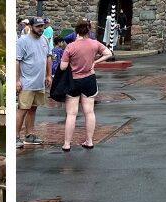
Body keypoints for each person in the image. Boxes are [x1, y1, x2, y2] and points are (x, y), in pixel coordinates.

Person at [59, 19, 113, 152]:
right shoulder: (95, 44)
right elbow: (109, 54)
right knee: (89, 112)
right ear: (89, 30)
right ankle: (89, 141)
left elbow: (62, 67)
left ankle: (67, 144)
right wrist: (95, 62)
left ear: (76, 31)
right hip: (89, 79)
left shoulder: (70, 47)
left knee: (71, 114)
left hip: (73, 81)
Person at [15, 16, 51, 149]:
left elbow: (48, 57)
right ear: (30, 27)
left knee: (33, 109)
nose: (41, 29)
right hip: (27, 82)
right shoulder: (22, 41)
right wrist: (17, 80)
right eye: (38, 26)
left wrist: (48, 75)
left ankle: (29, 135)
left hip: (39, 81)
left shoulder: (45, 40)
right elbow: (17, 60)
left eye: (42, 26)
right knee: (23, 109)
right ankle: (15, 136)